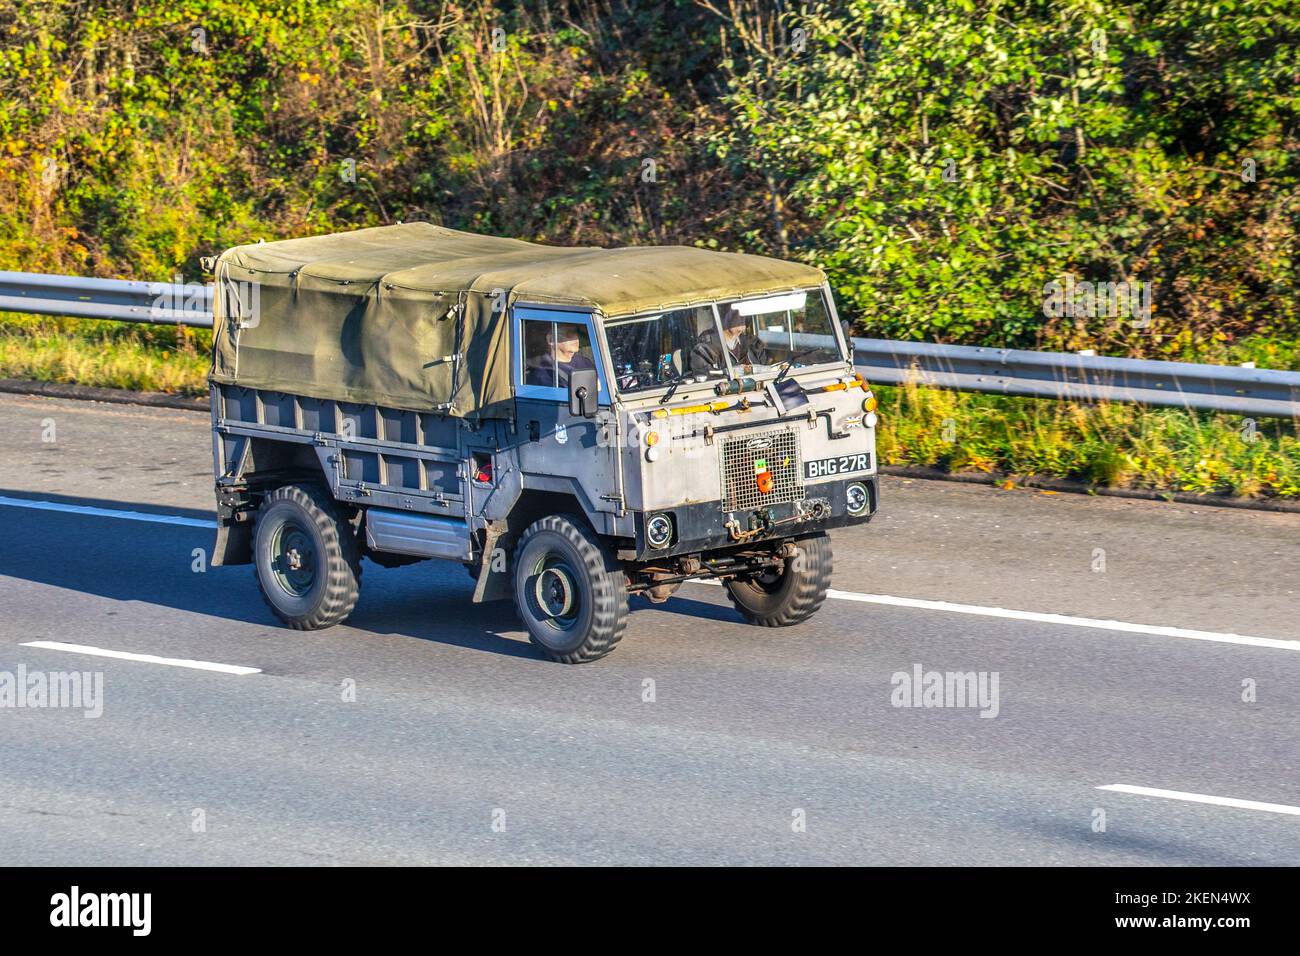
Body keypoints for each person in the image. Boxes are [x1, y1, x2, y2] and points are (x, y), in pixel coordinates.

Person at [689, 306, 766, 374]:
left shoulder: (754, 344)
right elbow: (706, 380)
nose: (741, 315)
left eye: (742, 312)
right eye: (735, 312)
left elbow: (767, 372)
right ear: (721, 317)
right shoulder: (704, 349)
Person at [527, 324, 595, 388]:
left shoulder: (586, 362)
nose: (575, 337)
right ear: (551, 339)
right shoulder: (544, 373)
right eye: (568, 333)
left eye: (576, 332)